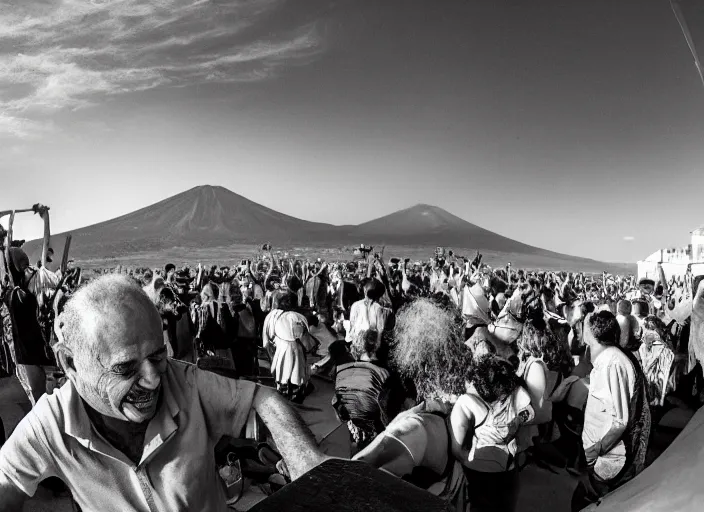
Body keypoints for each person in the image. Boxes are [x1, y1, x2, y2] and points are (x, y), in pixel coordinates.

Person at [0, 275, 328, 511]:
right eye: (125, 368)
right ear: (69, 362)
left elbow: (261, 399)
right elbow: (6, 485)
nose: (154, 380)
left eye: (158, 356)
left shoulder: (185, 383)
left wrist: (308, 465)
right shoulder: (50, 425)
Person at [571, 310, 651, 511]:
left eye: (586, 324)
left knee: (594, 501)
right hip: (601, 453)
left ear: (594, 334)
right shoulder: (607, 358)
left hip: (610, 456)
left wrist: (593, 452)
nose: (582, 325)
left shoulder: (612, 362)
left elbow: (620, 421)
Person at [450, 355, 534, 512]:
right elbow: (458, 450)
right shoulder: (468, 402)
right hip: (482, 472)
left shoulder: (512, 389)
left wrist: (519, 420)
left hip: (501, 469)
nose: (502, 399)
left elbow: (529, 411)